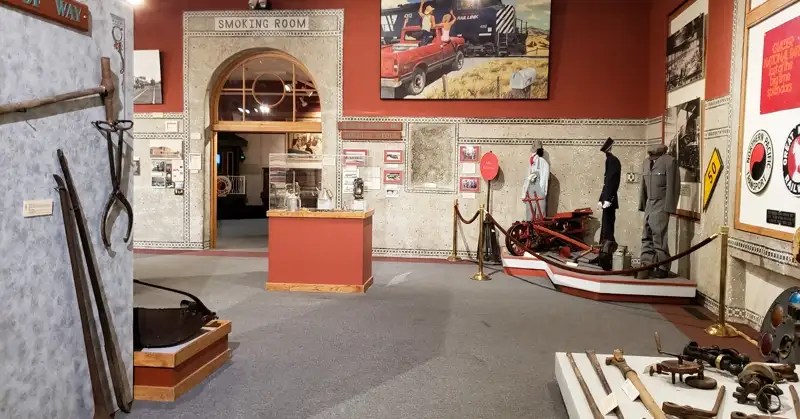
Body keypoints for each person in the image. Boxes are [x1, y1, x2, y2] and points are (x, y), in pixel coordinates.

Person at [636, 144, 680, 279]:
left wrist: (669, 207)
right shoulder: (646, 163)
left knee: (659, 235)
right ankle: (647, 263)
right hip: (649, 203)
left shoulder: (669, 162)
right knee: (646, 234)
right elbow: (643, 186)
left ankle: (662, 266)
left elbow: (674, 186)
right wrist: (642, 204)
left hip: (662, 203)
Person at [598, 137, 621, 244]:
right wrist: (601, 198)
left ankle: (607, 247)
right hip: (606, 199)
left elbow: (613, 181)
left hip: (610, 200)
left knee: (608, 226)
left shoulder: (613, 161)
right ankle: (604, 246)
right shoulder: (609, 160)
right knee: (605, 224)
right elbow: (606, 182)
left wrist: (609, 199)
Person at [520, 140, 549, 220]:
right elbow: (527, 179)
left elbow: (544, 179)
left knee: (540, 214)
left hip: (539, 190)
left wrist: (542, 193)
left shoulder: (543, 163)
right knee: (529, 212)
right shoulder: (531, 164)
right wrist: (524, 193)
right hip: (530, 189)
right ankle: (529, 226)